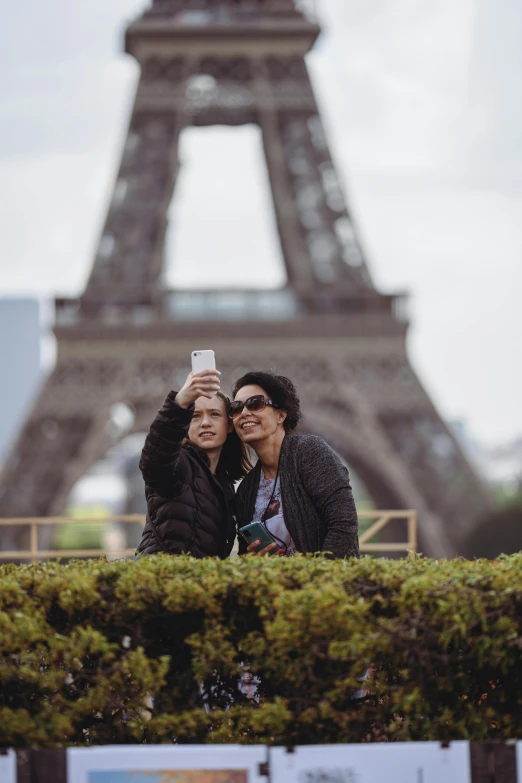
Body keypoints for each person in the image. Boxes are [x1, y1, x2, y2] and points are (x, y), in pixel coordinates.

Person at [231, 371, 360, 558]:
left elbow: (344, 525)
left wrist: (317, 577)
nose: (244, 413)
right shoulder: (246, 489)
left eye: (255, 403)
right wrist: (254, 557)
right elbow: (246, 552)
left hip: (327, 583)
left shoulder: (309, 452)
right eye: (236, 408)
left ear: (281, 415)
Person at [136, 369, 251, 559]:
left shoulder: (225, 485)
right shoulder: (179, 465)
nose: (205, 423)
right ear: (186, 425)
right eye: (195, 416)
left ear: (229, 425)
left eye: (214, 414)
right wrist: (179, 404)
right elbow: (154, 460)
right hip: (163, 579)